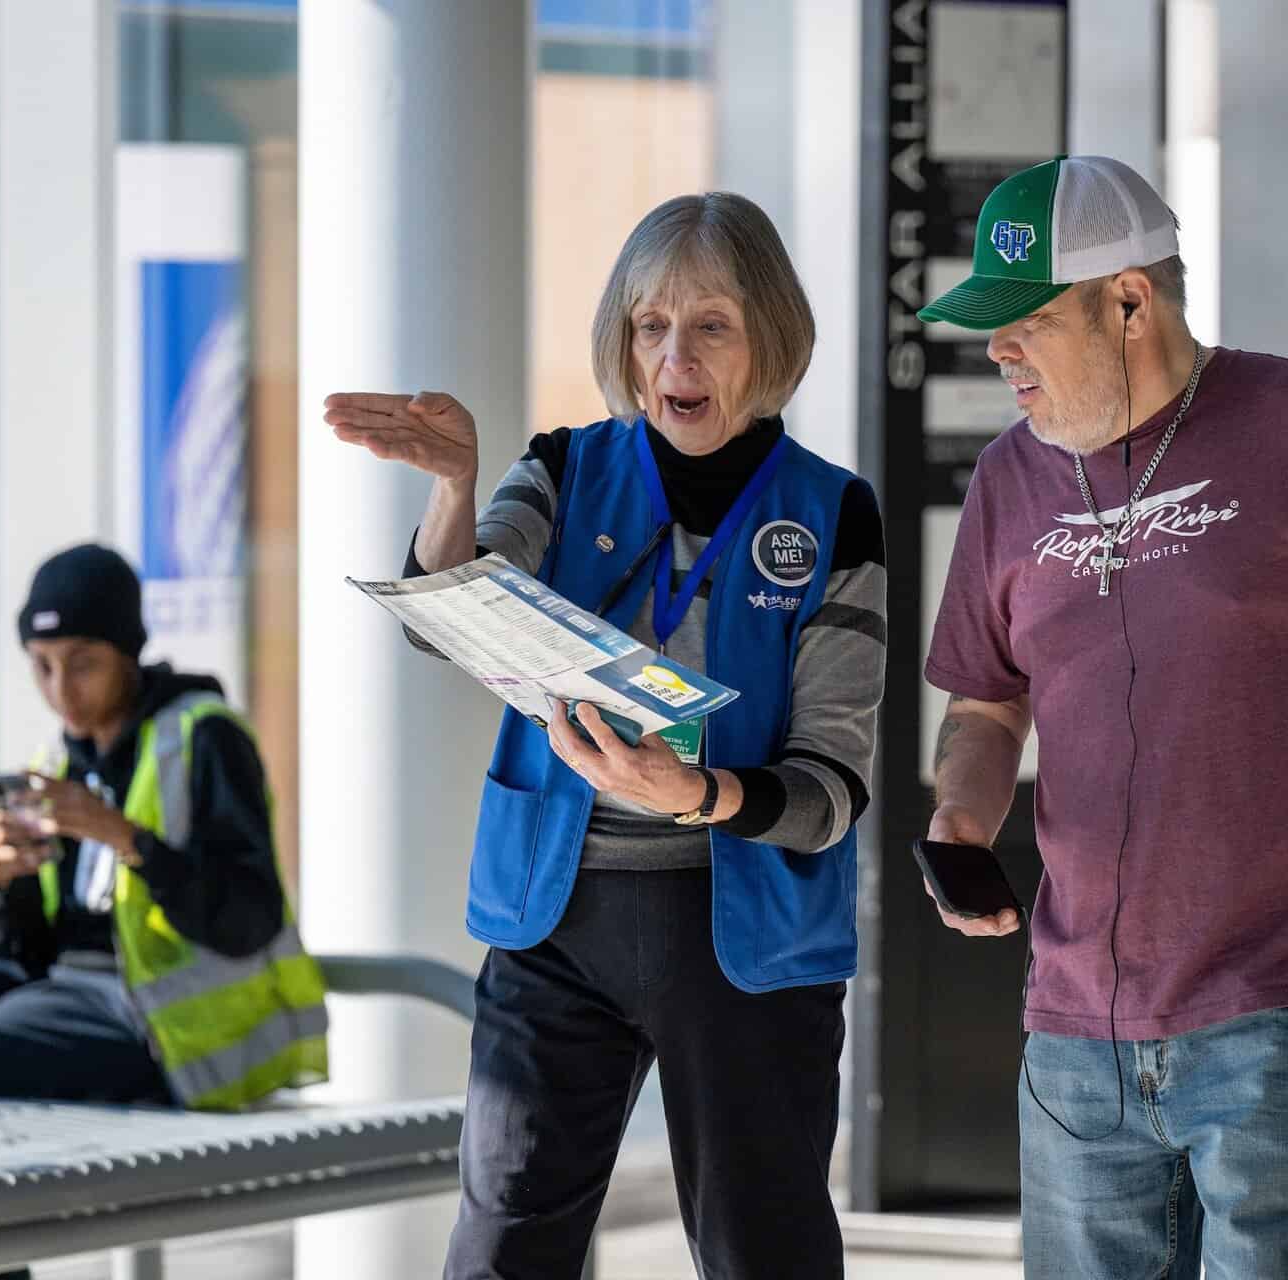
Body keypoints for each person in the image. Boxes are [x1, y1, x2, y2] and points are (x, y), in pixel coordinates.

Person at [915, 155, 1288, 1279]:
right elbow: (987, 695)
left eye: (1027, 324)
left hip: (1280, 993)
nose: (998, 351)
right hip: (1072, 1017)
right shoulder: (1011, 478)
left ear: (1131, 301)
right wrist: (961, 811)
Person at [327, 190, 886, 1280]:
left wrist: (701, 793)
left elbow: (834, 784)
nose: (675, 355)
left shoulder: (834, 513)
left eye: (712, 325)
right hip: (557, 917)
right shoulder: (562, 466)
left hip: (747, 938)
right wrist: (453, 487)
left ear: (768, 338)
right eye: (649, 325)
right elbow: (453, 619)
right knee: (501, 1248)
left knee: (763, 1251)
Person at [0, 543, 327, 1276]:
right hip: (64, 995)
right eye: (42, 664)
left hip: (166, 1032)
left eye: (82, 661)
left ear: (128, 653)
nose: (61, 689)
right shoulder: (58, 762)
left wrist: (125, 837)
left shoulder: (203, 735)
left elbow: (250, 919)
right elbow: (18, 955)